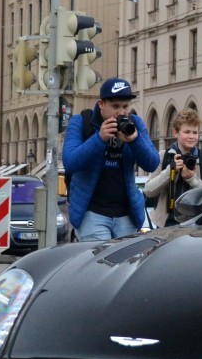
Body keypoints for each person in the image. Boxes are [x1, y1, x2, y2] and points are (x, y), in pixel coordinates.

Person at [62, 77, 160, 241]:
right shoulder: (81, 122)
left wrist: (135, 140)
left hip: (126, 215)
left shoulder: (135, 123)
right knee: (100, 263)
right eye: (115, 106)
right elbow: (70, 162)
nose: (121, 112)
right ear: (101, 104)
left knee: (124, 264)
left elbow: (152, 163)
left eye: (125, 106)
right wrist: (99, 138)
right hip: (92, 213)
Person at [144, 109, 202, 227]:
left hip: (197, 223)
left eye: (195, 133)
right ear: (176, 133)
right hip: (166, 223)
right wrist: (169, 172)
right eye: (187, 132)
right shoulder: (164, 156)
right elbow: (148, 191)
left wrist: (193, 179)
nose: (191, 136)